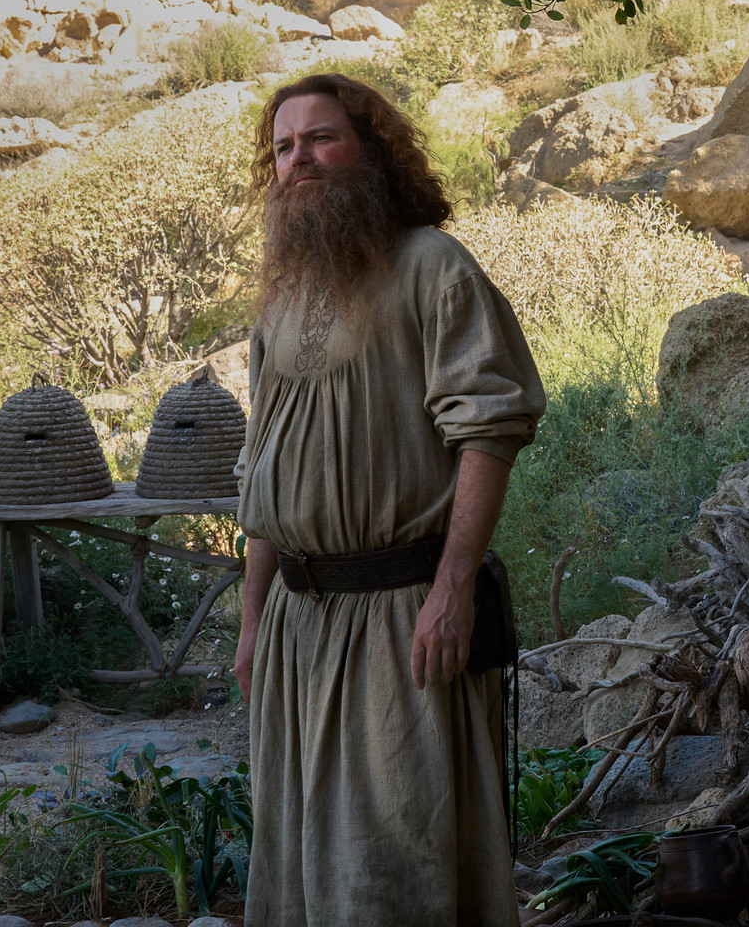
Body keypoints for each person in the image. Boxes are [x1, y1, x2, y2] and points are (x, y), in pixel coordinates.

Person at [231, 72, 546, 927]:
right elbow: (267, 480)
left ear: (371, 148)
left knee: (397, 864)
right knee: (300, 861)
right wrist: (255, 619)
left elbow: (487, 430)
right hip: (299, 629)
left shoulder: (431, 268)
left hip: (399, 619)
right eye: (285, 146)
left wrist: (452, 589)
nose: (302, 159)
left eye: (323, 138)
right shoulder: (281, 301)